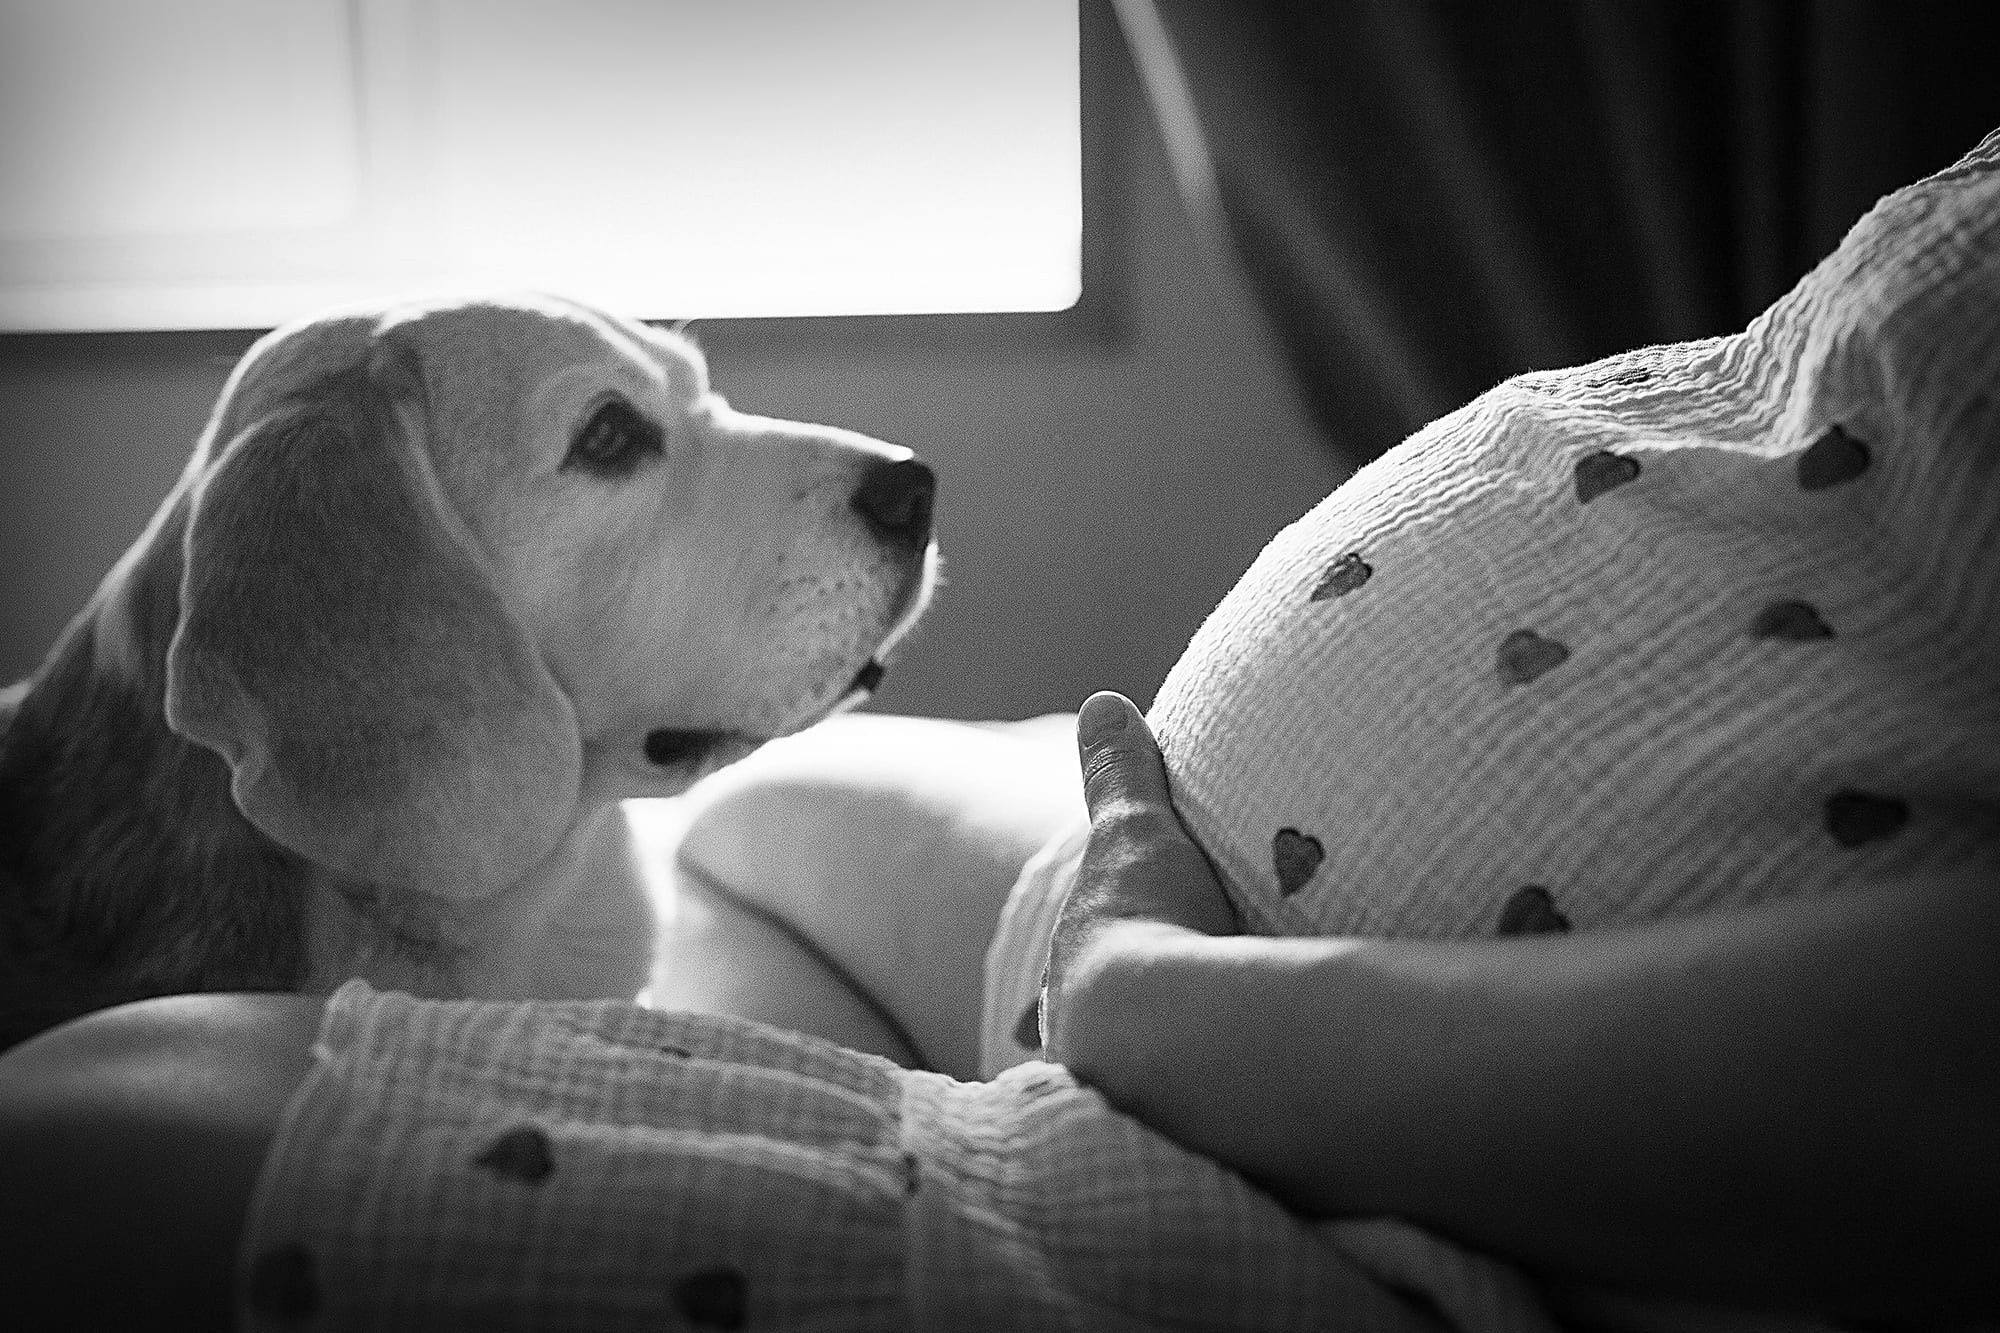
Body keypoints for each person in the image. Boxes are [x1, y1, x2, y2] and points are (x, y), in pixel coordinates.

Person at [5, 133, 1998, 1331]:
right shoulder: (392, 642)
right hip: (1130, 953)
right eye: (623, 438)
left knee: (83, 1147)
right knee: (724, 849)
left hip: (1260, 1087)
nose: (861, 477)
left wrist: (1165, 1005)